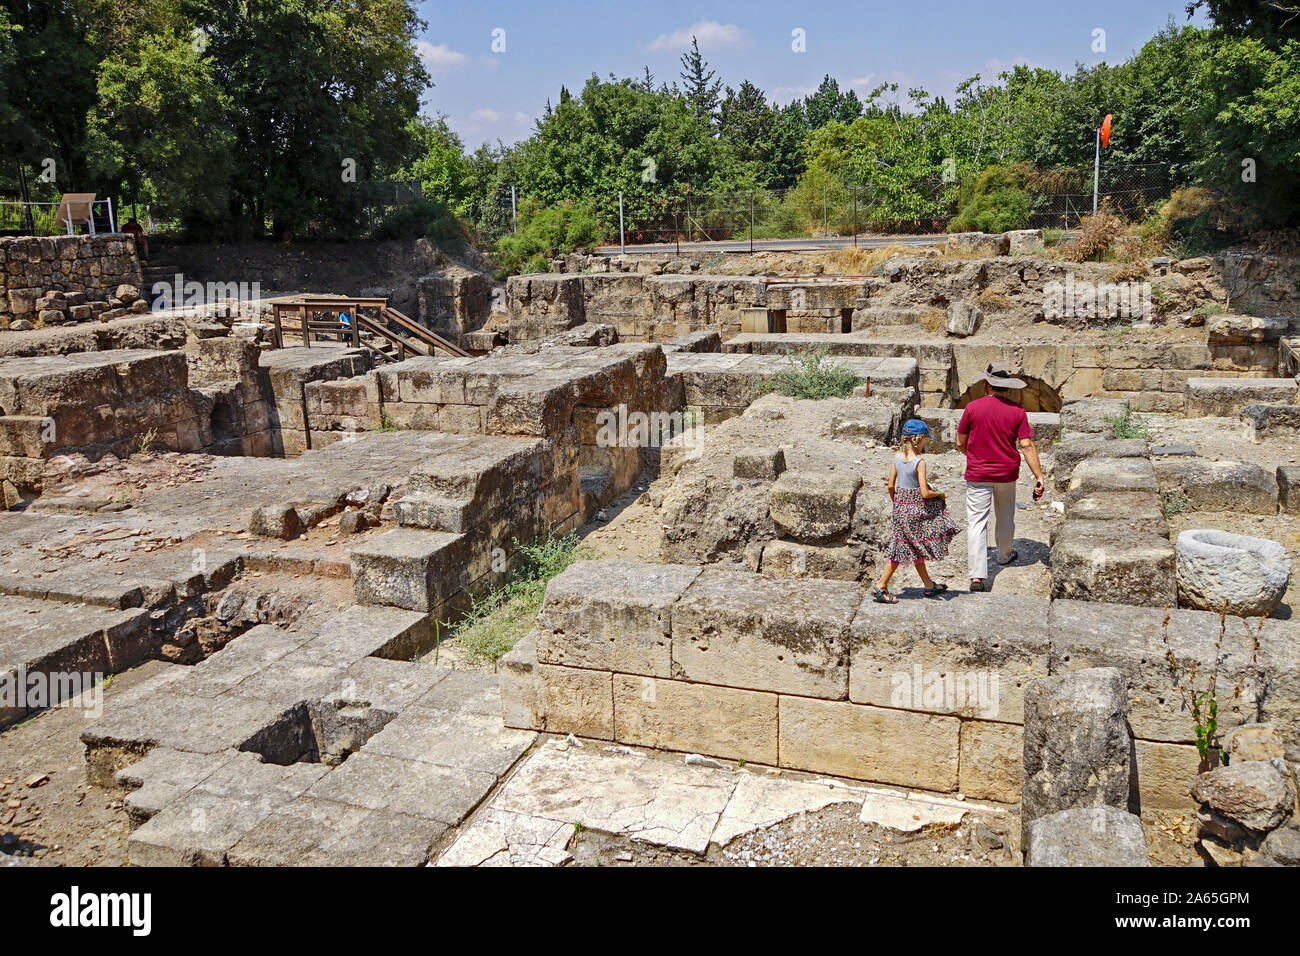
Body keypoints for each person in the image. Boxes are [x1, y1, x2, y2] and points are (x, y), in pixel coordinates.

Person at [956, 362, 1046, 592]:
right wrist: (1038, 475)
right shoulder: (1017, 411)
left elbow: (960, 442)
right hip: (1006, 473)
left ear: (987, 385)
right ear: (1007, 388)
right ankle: (1004, 555)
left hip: (978, 473)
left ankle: (977, 576)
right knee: (1005, 516)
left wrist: (975, 456)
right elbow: (1026, 446)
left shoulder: (973, 408)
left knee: (977, 521)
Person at [871, 419, 960, 604]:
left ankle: (928, 585)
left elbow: (890, 485)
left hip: (900, 508)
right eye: (926, 438)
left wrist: (898, 503)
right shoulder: (919, 462)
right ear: (919, 439)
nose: (926, 442)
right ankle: (881, 586)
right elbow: (925, 493)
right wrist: (941, 494)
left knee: (913, 546)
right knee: (901, 549)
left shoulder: (896, 457)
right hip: (915, 511)